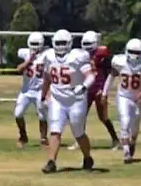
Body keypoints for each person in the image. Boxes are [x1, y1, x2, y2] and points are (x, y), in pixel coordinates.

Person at [38, 29, 97, 174]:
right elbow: (47, 77)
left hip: (76, 99)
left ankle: (87, 157)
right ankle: (51, 162)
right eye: (58, 43)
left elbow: (90, 76)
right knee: (55, 130)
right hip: (58, 99)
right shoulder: (49, 56)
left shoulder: (77, 57)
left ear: (70, 43)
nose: (61, 46)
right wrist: (43, 94)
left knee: (78, 132)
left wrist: (83, 87)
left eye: (63, 43)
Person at [110, 39, 141, 165]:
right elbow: (111, 76)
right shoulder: (119, 61)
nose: (134, 54)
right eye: (132, 51)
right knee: (125, 122)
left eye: (137, 52)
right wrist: (104, 93)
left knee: (135, 127)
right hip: (123, 96)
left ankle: (132, 142)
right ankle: (126, 152)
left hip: (137, 98)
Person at [80, 31, 121, 151]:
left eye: (89, 43)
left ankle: (115, 140)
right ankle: (80, 140)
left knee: (103, 117)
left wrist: (103, 90)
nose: (87, 46)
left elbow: (110, 73)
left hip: (98, 88)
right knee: (80, 116)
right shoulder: (81, 55)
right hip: (87, 88)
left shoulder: (103, 54)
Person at [14, 32, 49, 148]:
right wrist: (29, 60)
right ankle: (23, 136)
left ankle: (43, 138)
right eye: (33, 43)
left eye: (36, 44)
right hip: (26, 90)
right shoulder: (25, 53)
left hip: (39, 90)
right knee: (18, 114)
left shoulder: (47, 54)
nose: (34, 46)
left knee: (42, 116)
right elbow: (18, 69)